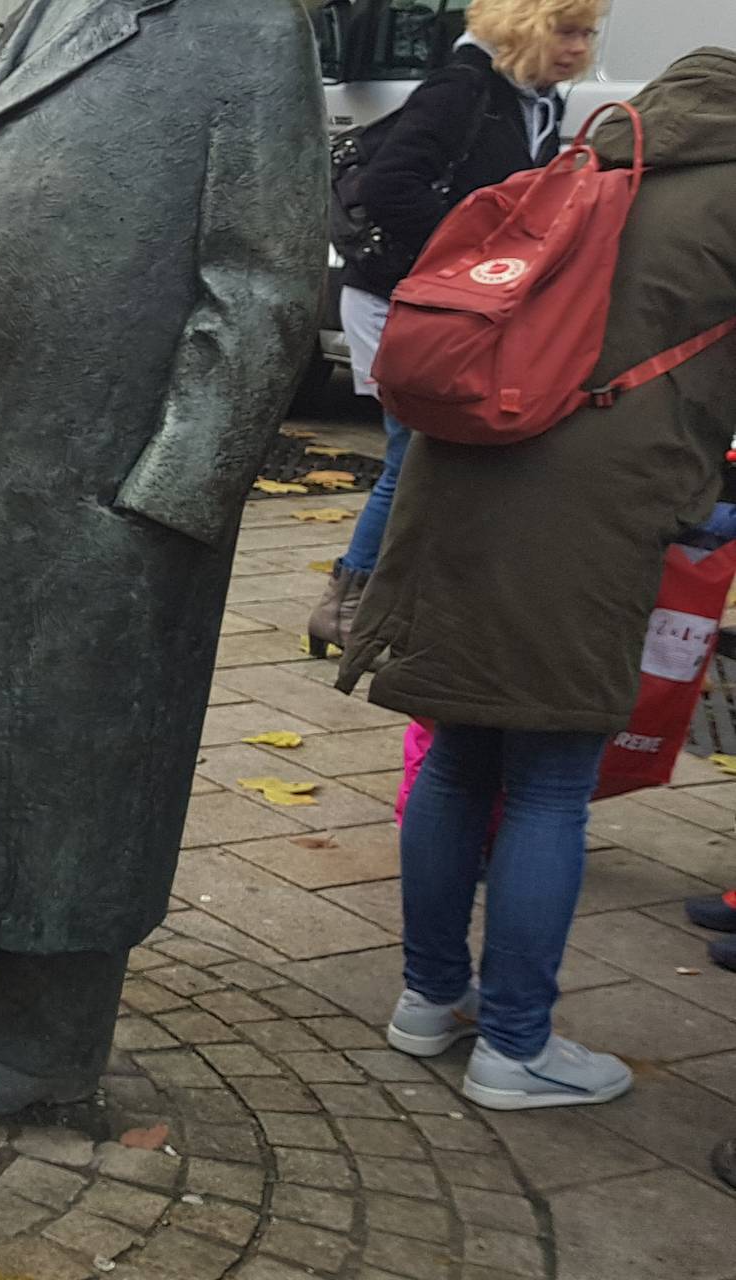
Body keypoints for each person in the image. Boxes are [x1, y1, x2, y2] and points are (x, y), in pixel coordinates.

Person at [338, 45, 736, 1111]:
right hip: (592, 506)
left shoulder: (588, 157)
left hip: (460, 468)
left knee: (459, 753)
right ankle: (513, 1046)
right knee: (551, 778)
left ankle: (426, 1002)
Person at [310, 0, 601, 657]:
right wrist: (468, 260)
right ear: (524, 24)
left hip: (442, 306)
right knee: (413, 457)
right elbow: (391, 187)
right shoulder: (462, 85)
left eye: (587, 33)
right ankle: (349, 601)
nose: (579, 47)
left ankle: (385, 601)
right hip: (405, 303)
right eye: (567, 29)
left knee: (428, 455)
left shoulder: (531, 96)